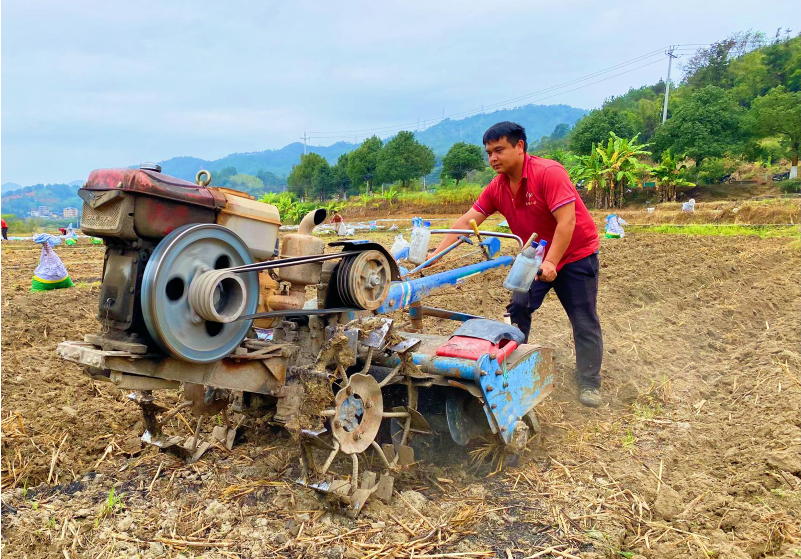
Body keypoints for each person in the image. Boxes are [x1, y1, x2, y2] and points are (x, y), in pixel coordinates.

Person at [430, 122, 603, 407]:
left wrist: (552, 263)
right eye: (489, 153)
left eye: (499, 150)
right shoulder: (497, 187)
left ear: (520, 146)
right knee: (519, 306)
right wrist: (436, 254)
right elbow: (466, 220)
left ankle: (589, 382)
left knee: (583, 319)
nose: (493, 158)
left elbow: (567, 222)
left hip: (575, 255)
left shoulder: (548, 173)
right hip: (534, 256)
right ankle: (514, 365)